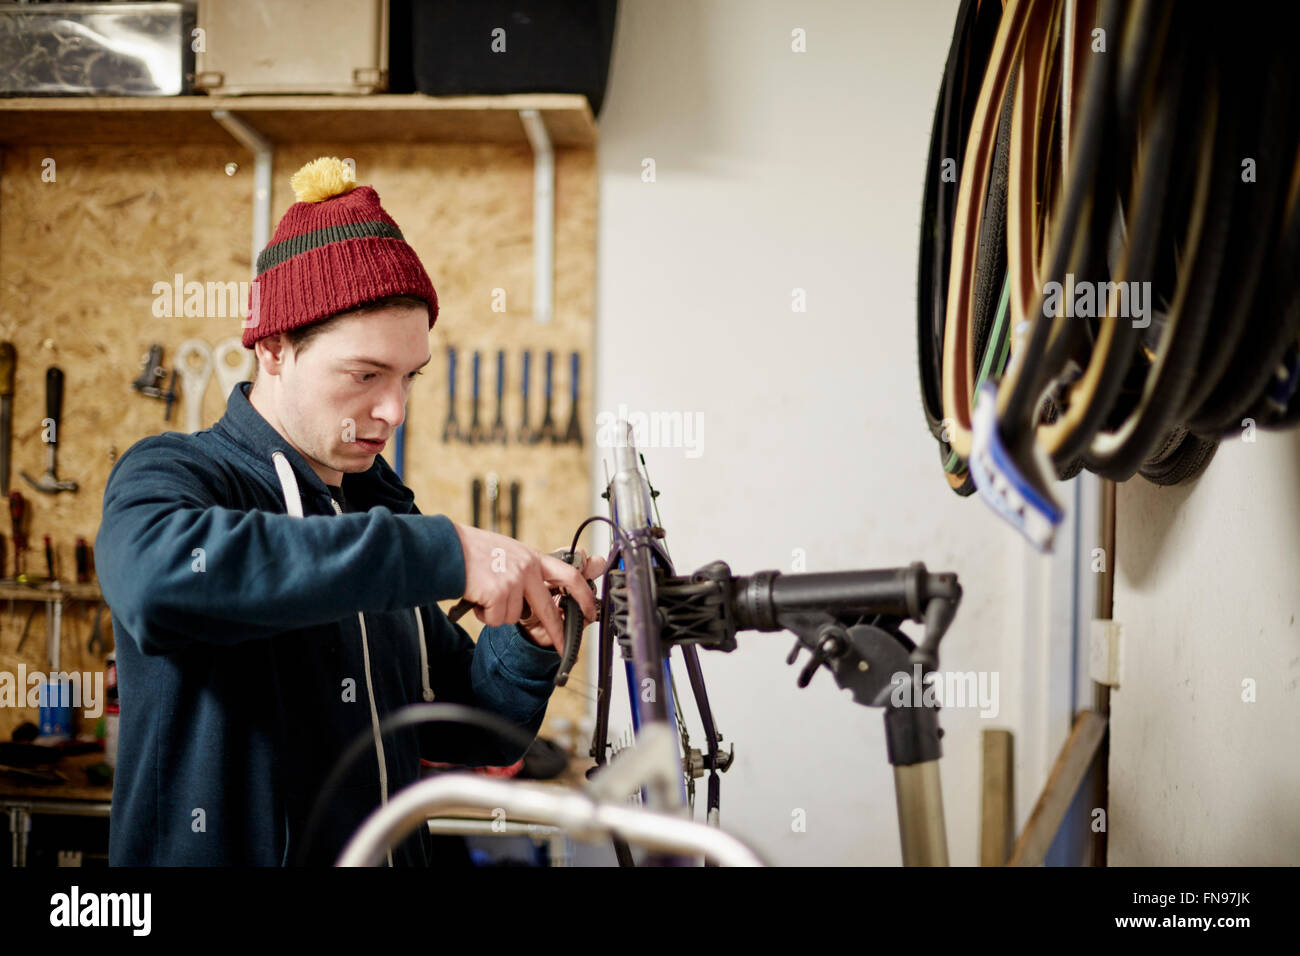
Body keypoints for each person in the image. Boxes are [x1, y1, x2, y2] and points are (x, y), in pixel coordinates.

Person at [95, 157, 603, 866]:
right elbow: (154, 582)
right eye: (365, 375)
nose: (394, 411)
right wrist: (446, 551)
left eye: (408, 378)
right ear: (273, 347)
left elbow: (475, 727)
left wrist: (527, 637)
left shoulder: (366, 514)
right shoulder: (174, 474)